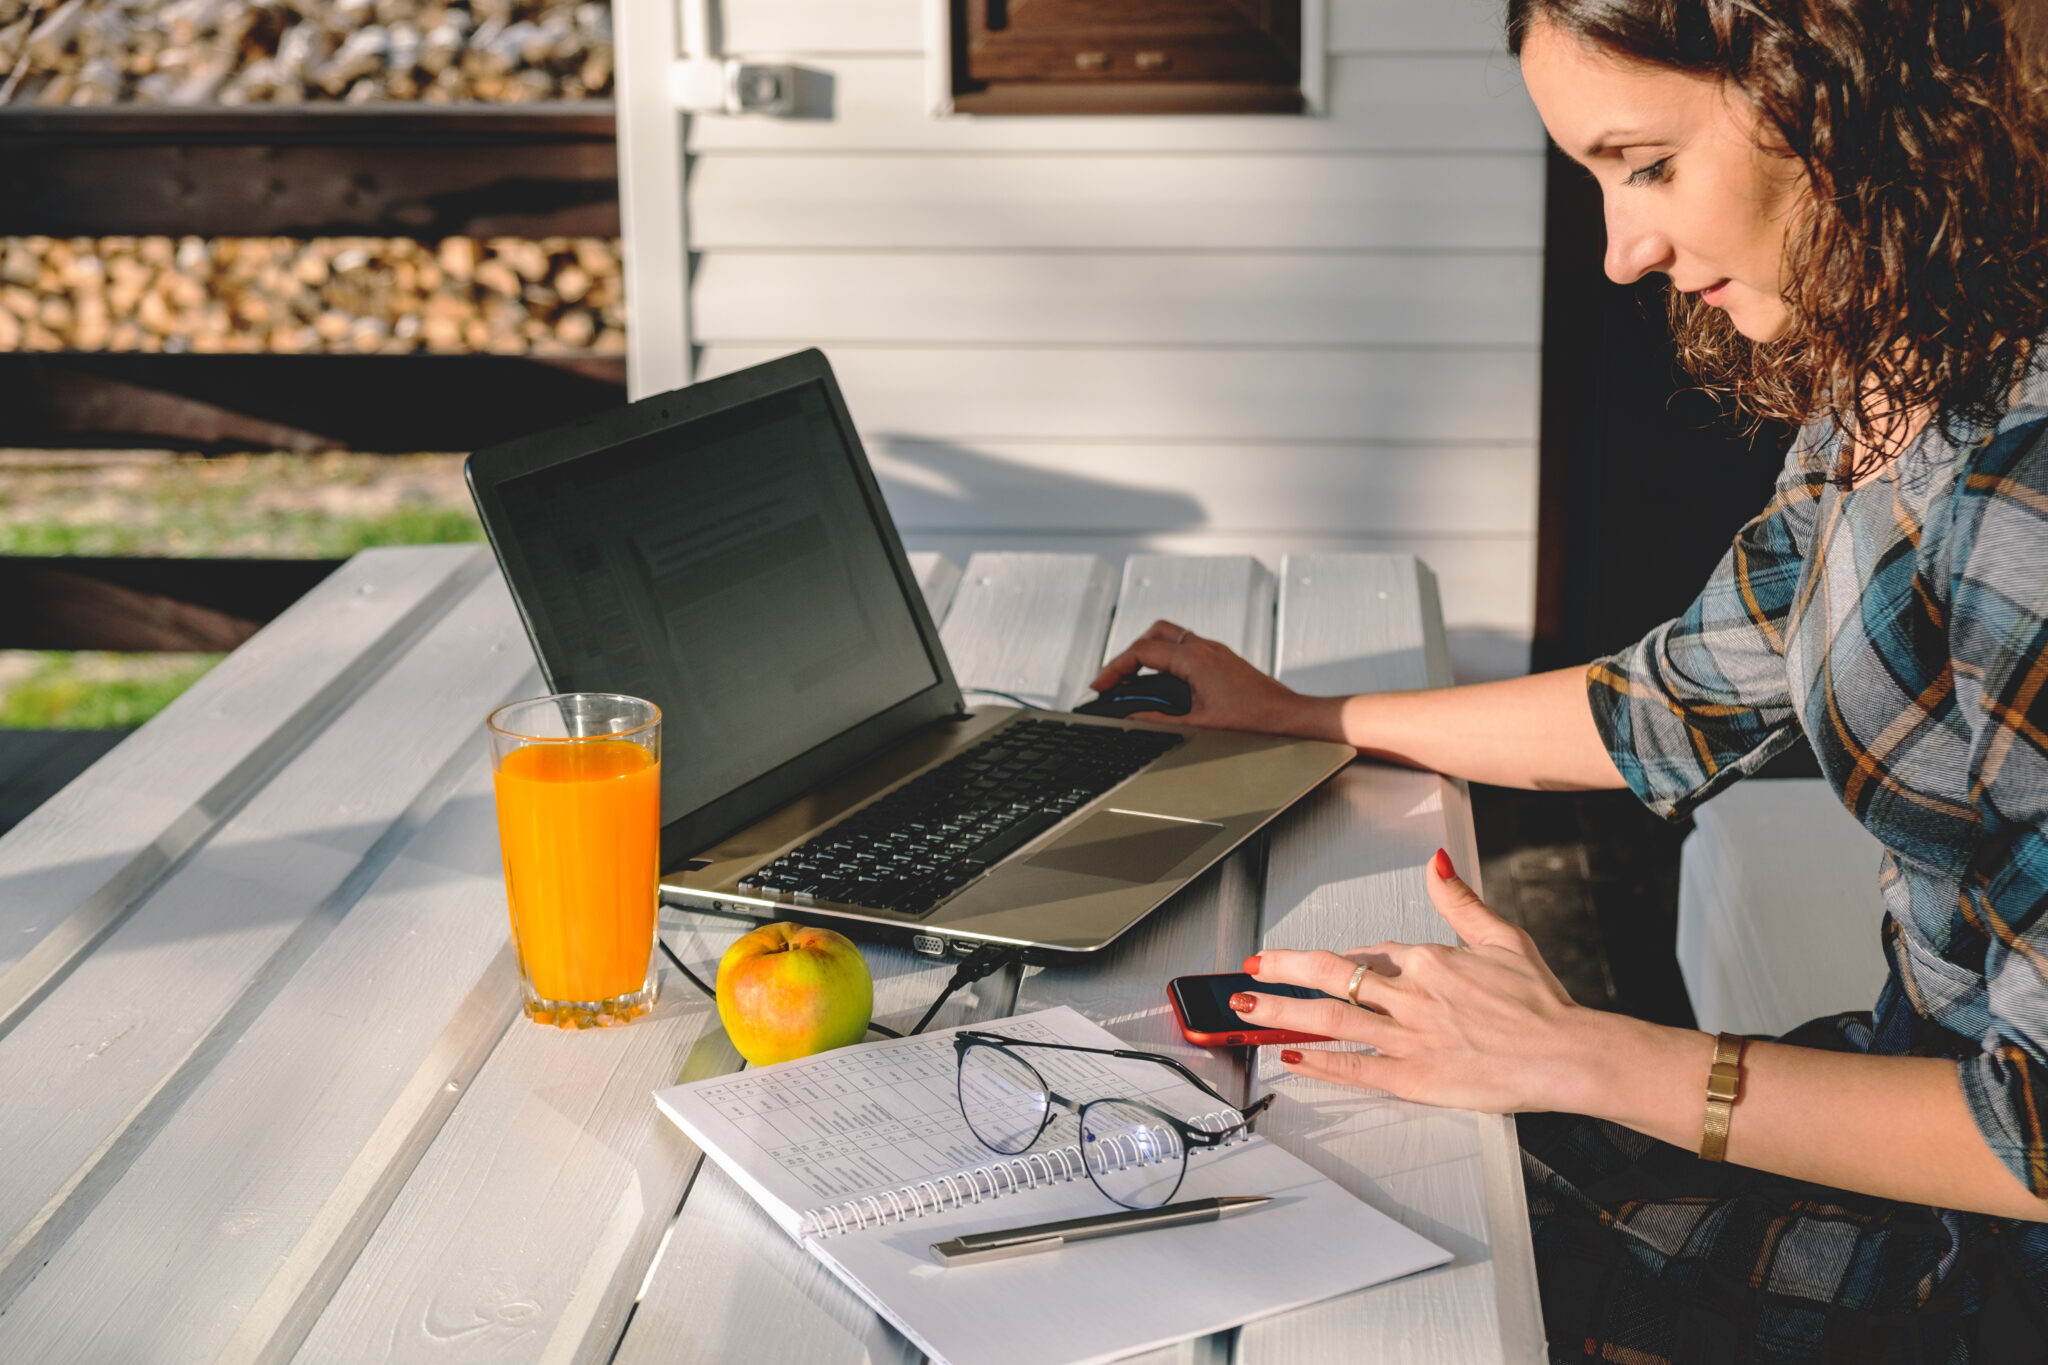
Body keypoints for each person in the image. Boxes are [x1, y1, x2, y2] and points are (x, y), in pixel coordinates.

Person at [1093, 0, 2048, 1358]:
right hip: (1906, 1098)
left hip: (1995, 1267)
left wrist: (1582, 1052)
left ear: (1842, 92)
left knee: (1405, 1263)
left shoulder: (2023, 493)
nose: (1621, 251)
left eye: (1646, 163)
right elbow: (1671, 701)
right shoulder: (1894, 382)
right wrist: (1305, 720)